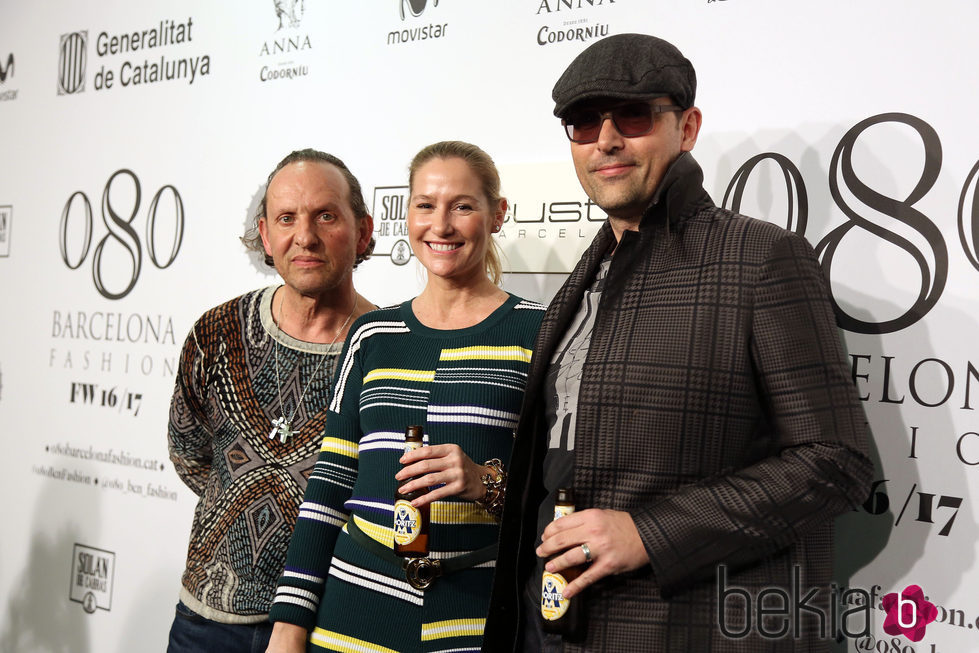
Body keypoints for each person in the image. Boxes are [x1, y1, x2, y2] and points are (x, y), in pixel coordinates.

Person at [482, 34, 874, 652]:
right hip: (551, 623)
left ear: (687, 127)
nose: (606, 138)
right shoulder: (585, 275)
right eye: (584, 123)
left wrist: (649, 533)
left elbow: (835, 462)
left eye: (633, 115)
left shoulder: (760, 257)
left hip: (680, 631)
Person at [266, 141, 545, 653]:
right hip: (352, 609)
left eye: (462, 205)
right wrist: (289, 625)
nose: (441, 225)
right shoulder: (373, 335)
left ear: (496, 214)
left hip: (474, 612)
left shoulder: (541, 332)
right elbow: (330, 485)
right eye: (425, 205)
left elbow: (563, 493)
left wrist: (487, 482)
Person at [166, 148, 376, 652]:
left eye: (326, 216)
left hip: (330, 624)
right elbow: (188, 450)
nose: (304, 236)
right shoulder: (216, 332)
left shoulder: (387, 349)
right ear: (265, 235)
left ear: (364, 231)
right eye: (286, 218)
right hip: (205, 621)